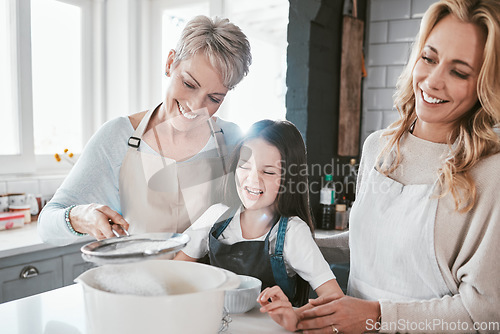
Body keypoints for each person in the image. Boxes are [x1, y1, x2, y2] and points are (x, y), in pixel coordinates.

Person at [259, 0, 500, 333]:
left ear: (484, 85)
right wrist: (290, 240)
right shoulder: (378, 147)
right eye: (428, 58)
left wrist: (376, 316)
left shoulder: (489, 173)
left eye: (458, 72)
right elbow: (371, 241)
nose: (432, 81)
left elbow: (484, 315)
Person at [38, 15, 252, 245]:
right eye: (189, 84)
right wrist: (80, 217)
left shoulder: (231, 139)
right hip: (135, 279)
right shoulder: (117, 137)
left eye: (214, 98)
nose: (195, 107)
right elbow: (46, 226)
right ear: (170, 63)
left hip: (208, 281)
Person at [174, 120, 344, 311]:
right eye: (245, 166)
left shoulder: (292, 232)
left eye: (269, 171)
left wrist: (295, 314)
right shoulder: (215, 217)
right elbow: (174, 275)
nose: (253, 179)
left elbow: (336, 301)